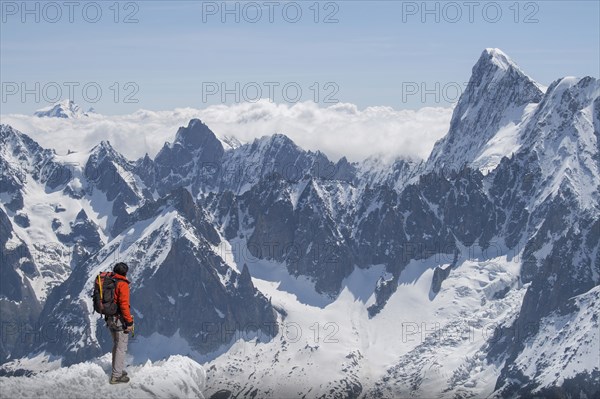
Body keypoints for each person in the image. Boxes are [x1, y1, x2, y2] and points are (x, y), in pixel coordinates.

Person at [107, 262, 134, 384]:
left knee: (116, 345)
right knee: (121, 347)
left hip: (109, 318)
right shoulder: (122, 284)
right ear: (125, 273)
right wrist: (129, 322)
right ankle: (116, 376)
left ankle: (117, 370)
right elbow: (124, 305)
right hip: (119, 320)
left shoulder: (110, 282)